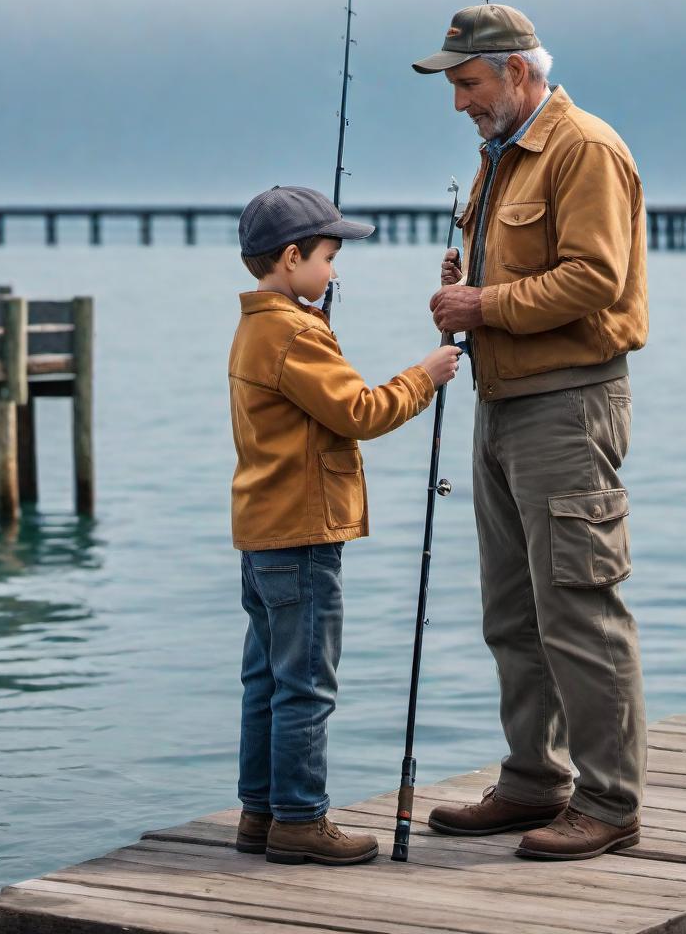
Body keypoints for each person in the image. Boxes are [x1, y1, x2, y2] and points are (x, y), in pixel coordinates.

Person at [414, 4, 649, 860]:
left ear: (517, 71)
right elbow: (526, 265)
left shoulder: (584, 147)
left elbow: (595, 277)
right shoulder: (497, 158)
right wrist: (467, 274)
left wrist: (485, 303)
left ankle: (611, 801)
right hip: (502, 402)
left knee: (579, 606)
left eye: (467, 83)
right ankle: (532, 781)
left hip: (568, 403)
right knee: (513, 610)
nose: (458, 102)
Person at [229, 185, 461, 866]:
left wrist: (315, 322)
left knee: (267, 681)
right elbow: (359, 412)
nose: (334, 270)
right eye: (328, 256)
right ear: (293, 256)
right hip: (302, 537)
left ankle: (259, 813)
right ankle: (300, 821)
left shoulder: (259, 326)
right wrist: (426, 374)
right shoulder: (295, 332)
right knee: (307, 683)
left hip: (262, 533)